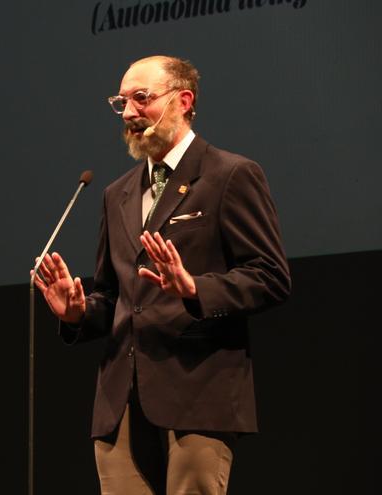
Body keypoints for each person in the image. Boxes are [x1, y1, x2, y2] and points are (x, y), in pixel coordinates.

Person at [33, 56, 290, 494]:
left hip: (197, 393)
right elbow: (116, 300)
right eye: (122, 103)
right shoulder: (118, 194)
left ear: (183, 101)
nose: (129, 113)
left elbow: (270, 276)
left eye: (141, 99)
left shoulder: (229, 175)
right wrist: (78, 312)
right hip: (121, 405)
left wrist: (196, 289)